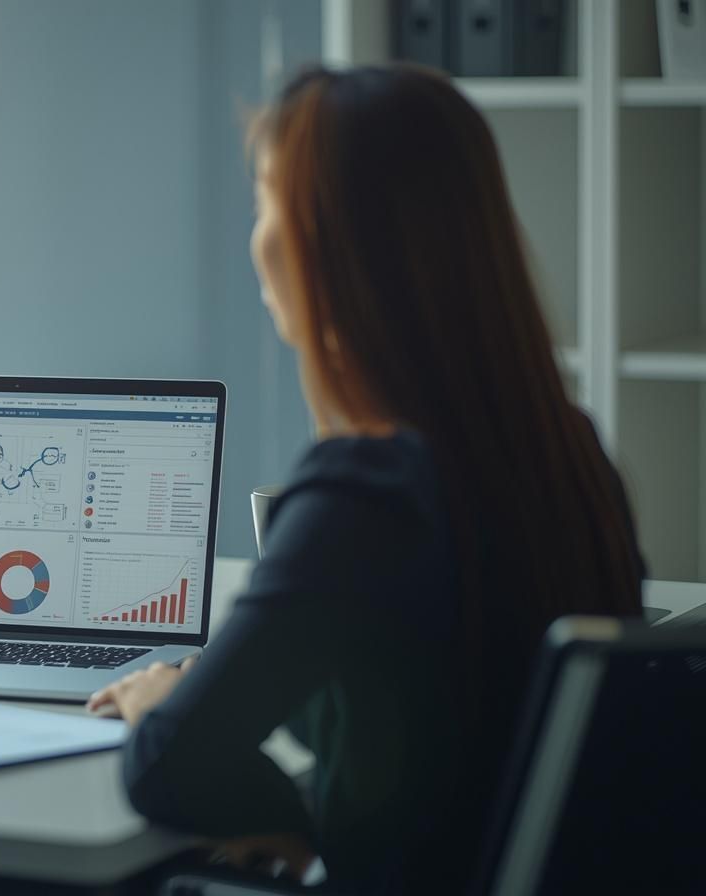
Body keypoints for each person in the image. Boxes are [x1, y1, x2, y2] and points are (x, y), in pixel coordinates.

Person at [87, 65, 645, 894]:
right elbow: (412, 702)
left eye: (265, 203)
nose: (256, 239)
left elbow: (170, 761)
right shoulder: (566, 452)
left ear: (323, 245)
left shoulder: (367, 490)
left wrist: (163, 710)